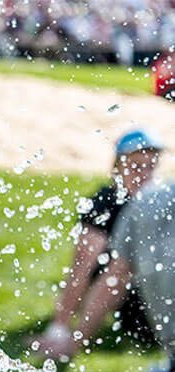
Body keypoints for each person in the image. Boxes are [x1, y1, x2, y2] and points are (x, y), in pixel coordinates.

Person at [32, 180, 175, 372]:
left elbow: (115, 277)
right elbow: (111, 276)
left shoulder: (148, 201)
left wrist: (72, 342)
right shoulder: (133, 202)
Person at [32, 128, 163, 360]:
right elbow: (81, 267)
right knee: (121, 265)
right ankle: (70, 336)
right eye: (135, 166)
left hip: (159, 300)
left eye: (150, 166)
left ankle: (74, 340)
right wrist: (58, 328)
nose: (143, 174)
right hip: (134, 302)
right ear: (118, 167)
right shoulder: (105, 205)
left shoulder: (160, 204)